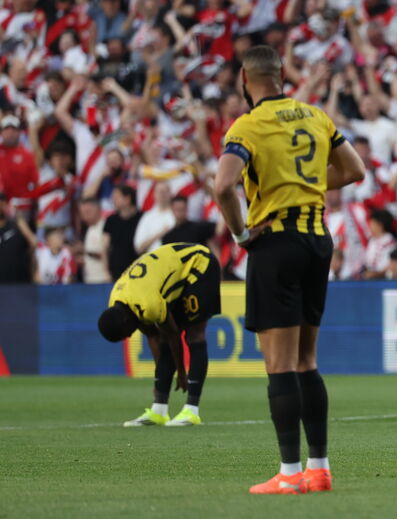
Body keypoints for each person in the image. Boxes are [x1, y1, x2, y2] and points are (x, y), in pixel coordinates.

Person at [214, 45, 365, 495]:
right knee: (307, 361)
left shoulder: (248, 125)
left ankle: (288, 473)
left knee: (278, 364)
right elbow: (354, 170)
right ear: (281, 75)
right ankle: (319, 469)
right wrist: (308, 186)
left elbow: (223, 184)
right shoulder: (315, 115)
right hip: (318, 241)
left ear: (245, 78)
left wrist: (241, 234)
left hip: (276, 242)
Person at [97, 242, 221, 427]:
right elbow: (154, 337)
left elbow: (173, 335)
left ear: (125, 322)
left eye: (125, 334)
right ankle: (159, 410)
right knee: (162, 339)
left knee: (194, 336)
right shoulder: (118, 300)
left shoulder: (147, 303)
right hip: (171, 275)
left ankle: (191, 410)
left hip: (198, 264)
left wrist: (181, 372)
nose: (129, 337)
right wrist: (160, 382)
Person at [103, 185, 143, 280]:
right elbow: (104, 248)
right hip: (116, 273)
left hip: (139, 271)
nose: (113, 200)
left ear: (127, 198)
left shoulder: (143, 218)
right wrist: (106, 272)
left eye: (116, 197)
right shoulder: (111, 220)